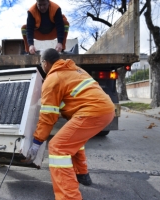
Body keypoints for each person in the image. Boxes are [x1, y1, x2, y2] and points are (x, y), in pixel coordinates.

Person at [25, 48, 115, 199]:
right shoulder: (76, 69)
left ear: (45, 63)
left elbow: (48, 117)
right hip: (106, 109)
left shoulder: (52, 79)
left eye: (41, 63)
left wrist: (36, 142)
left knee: (58, 147)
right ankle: (82, 174)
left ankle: (69, 197)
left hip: (92, 112)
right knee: (71, 140)